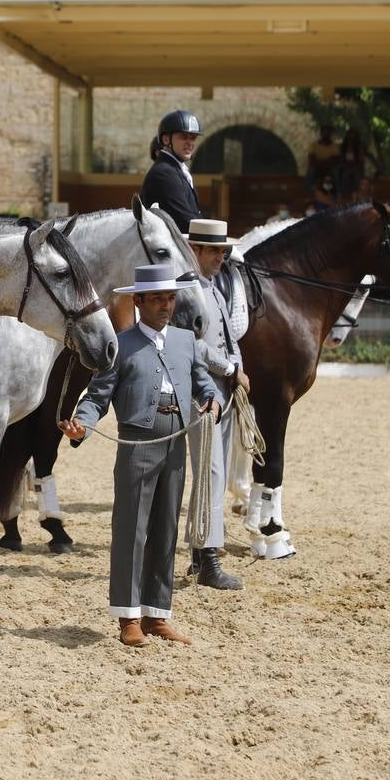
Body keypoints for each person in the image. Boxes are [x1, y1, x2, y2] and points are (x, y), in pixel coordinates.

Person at [58, 264, 220, 648]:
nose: (167, 305)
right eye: (158, 298)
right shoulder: (120, 344)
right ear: (139, 301)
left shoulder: (186, 341)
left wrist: (211, 400)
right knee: (131, 530)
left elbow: (203, 382)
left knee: (166, 530)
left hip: (176, 443)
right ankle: (128, 617)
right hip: (137, 442)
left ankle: (157, 614)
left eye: (170, 297)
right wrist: (82, 422)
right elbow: (98, 396)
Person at [183, 219, 245, 591]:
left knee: (214, 474)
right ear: (197, 251)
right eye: (215, 250)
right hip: (200, 393)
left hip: (222, 391)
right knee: (211, 473)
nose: (222, 256)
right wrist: (230, 368)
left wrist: (238, 372)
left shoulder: (214, 290)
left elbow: (231, 339)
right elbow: (193, 344)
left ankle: (198, 552)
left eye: (223, 251)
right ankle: (209, 559)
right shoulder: (187, 291)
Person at [141, 109, 203, 233]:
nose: (190, 143)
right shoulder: (164, 173)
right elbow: (185, 222)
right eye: (184, 137)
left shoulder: (176, 169)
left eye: (193, 138)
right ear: (166, 140)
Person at [304, 123, 341, 197]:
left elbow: (335, 161)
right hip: (317, 168)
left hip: (329, 168)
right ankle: (307, 192)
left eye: (328, 132)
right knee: (311, 170)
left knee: (335, 171)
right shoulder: (313, 145)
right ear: (321, 133)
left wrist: (320, 161)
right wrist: (327, 161)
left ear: (330, 134)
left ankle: (338, 191)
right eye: (324, 132)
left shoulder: (335, 146)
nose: (326, 134)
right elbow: (312, 160)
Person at [336, 127, 365, 202]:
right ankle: (345, 195)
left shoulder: (359, 146)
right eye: (350, 136)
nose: (351, 138)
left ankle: (357, 194)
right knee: (345, 175)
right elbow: (341, 159)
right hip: (345, 167)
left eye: (353, 136)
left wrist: (355, 167)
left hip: (356, 167)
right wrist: (346, 167)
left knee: (356, 175)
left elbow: (361, 160)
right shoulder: (343, 147)